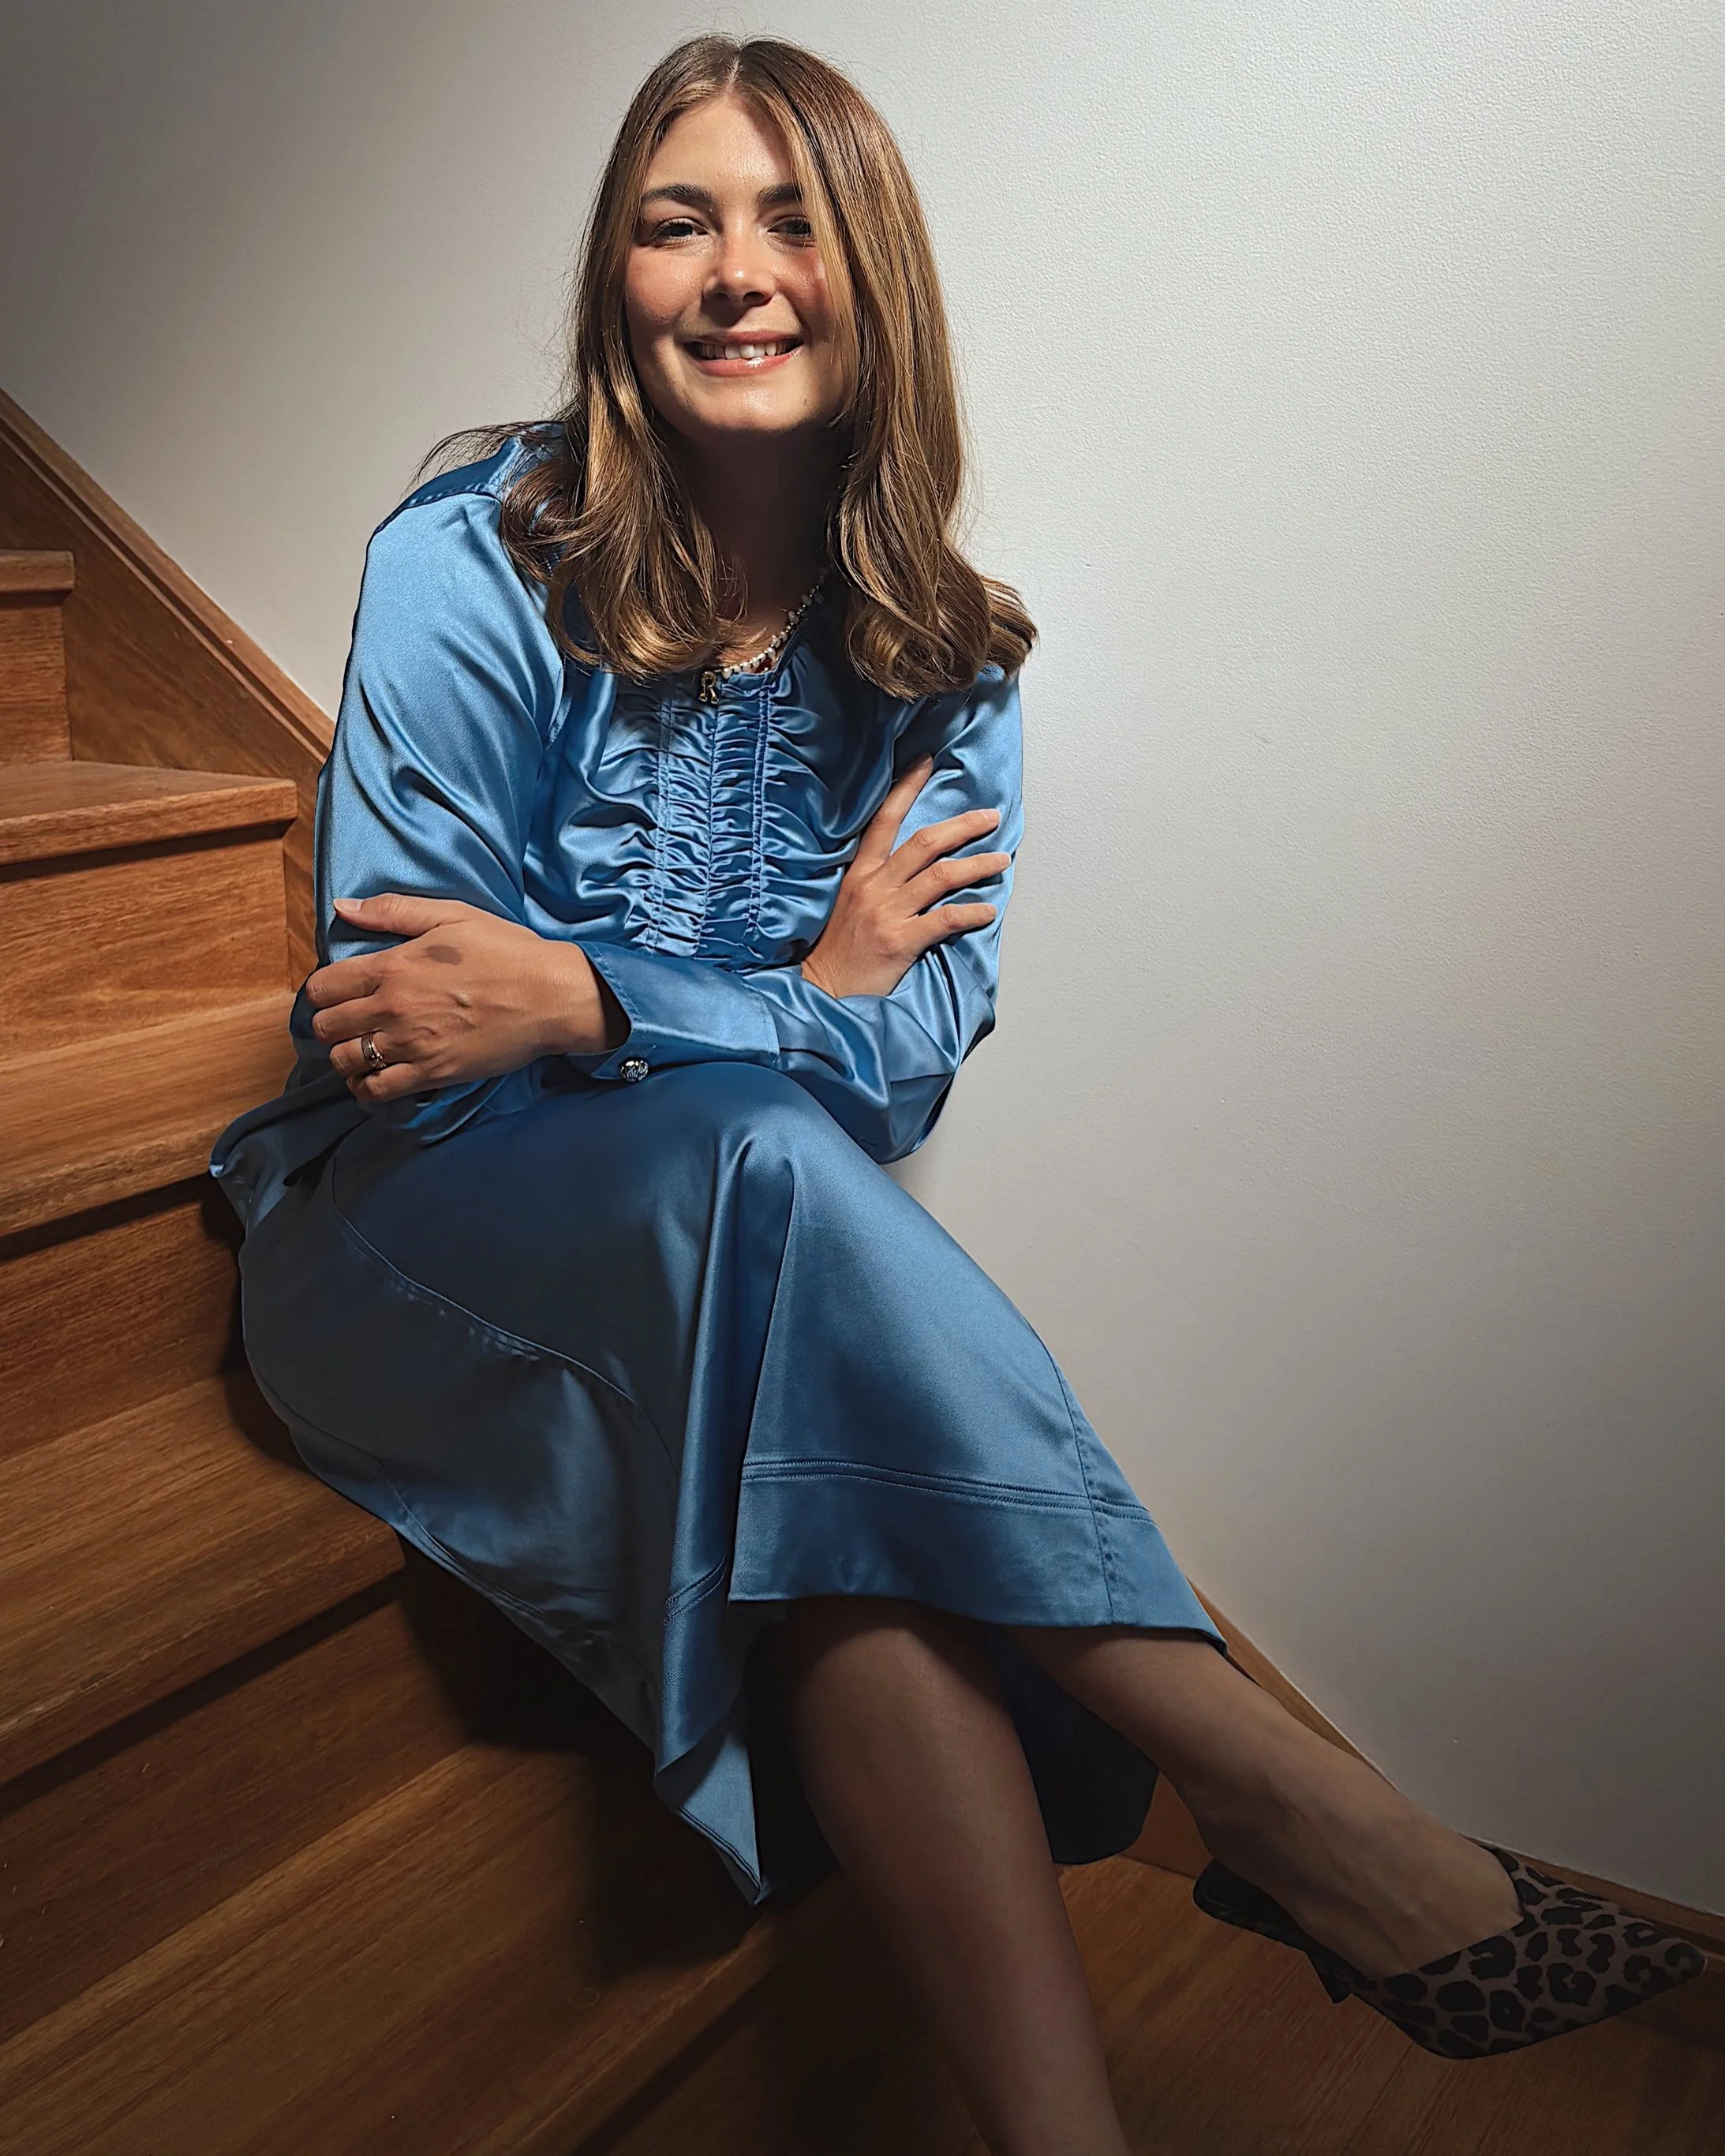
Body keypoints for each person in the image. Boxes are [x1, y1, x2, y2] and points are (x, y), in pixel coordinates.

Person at [211, 34, 1703, 2154]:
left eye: (792, 219)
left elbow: (901, 1065)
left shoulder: (949, 656)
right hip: (407, 1230)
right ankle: (1275, 1781)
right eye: (677, 221)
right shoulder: (480, 552)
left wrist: (593, 987)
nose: (737, 273)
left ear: (875, 275)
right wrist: (768, 991)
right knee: (753, 1141)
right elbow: (402, 1030)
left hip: (720, 1251)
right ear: (611, 282)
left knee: (832, 1486)